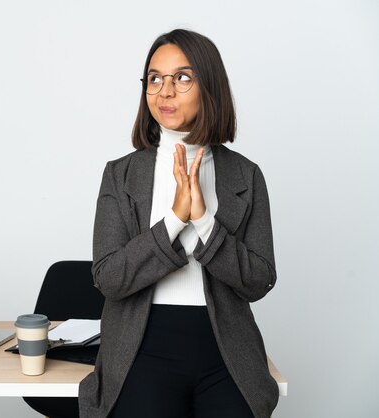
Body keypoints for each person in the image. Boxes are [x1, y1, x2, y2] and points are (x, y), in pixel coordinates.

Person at [78, 29, 279, 418]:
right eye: (155, 79)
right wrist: (173, 221)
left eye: (182, 78)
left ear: (210, 88)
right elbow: (108, 278)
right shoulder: (120, 175)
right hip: (140, 348)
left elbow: (260, 281)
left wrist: (204, 222)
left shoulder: (246, 176)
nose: (165, 91)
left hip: (226, 351)